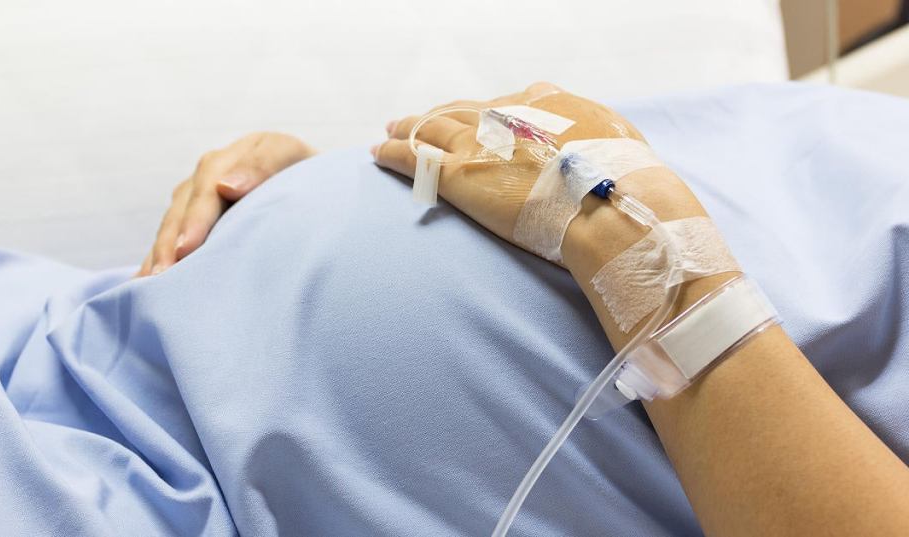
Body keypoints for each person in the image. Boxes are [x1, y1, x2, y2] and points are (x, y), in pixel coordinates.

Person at [137, 82, 909, 536]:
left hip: (184, 495)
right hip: (114, 322)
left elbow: (633, 222)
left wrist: (642, 256)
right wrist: (313, 203)